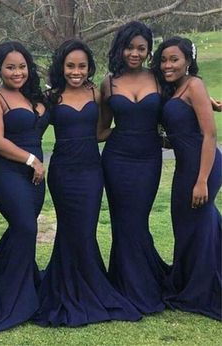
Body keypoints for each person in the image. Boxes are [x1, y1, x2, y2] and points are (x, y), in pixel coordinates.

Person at [32, 38, 142, 327]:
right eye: (70, 66)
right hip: (64, 172)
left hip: (92, 172)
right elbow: (27, 124)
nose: (76, 71)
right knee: (70, 231)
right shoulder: (51, 97)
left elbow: (102, 130)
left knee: (86, 230)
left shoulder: (96, 92)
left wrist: (133, 133)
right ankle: (66, 289)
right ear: (62, 67)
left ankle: (90, 287)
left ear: (89, 67)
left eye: (82, 66)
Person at [98, 21, 170, 314]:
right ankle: (127, 286)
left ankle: (142, 281)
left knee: (137, 221)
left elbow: (182, 106)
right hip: (117, 160)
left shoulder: (158, 78)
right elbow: (100, 131)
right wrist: (124, 133)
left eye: (142, 48)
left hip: (148, 160)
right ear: (120, 47)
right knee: (123, 224)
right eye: (130, 47)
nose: (135, 53)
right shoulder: (109, 82)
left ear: (149, 50)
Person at [151, 36, 221, 321]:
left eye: (174, 59)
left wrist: (202, 179)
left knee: (198, 226)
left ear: (188, 61)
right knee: (188, 225)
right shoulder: (175, 89)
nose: (168, 65)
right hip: (184, 167)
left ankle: (200, 290)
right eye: (164, 60)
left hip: (203, 167)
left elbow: (209, 135)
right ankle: (189, 279)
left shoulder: (194, 86)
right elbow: (176, 135)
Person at [0, 41, 49, 332]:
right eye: (10, 67)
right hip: (5, 172)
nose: (17, 72)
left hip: (34, 177)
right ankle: (12, 300)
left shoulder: (35, 95)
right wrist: (31, 159)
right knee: (25, 227)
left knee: (21, 230)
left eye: (22, 66)